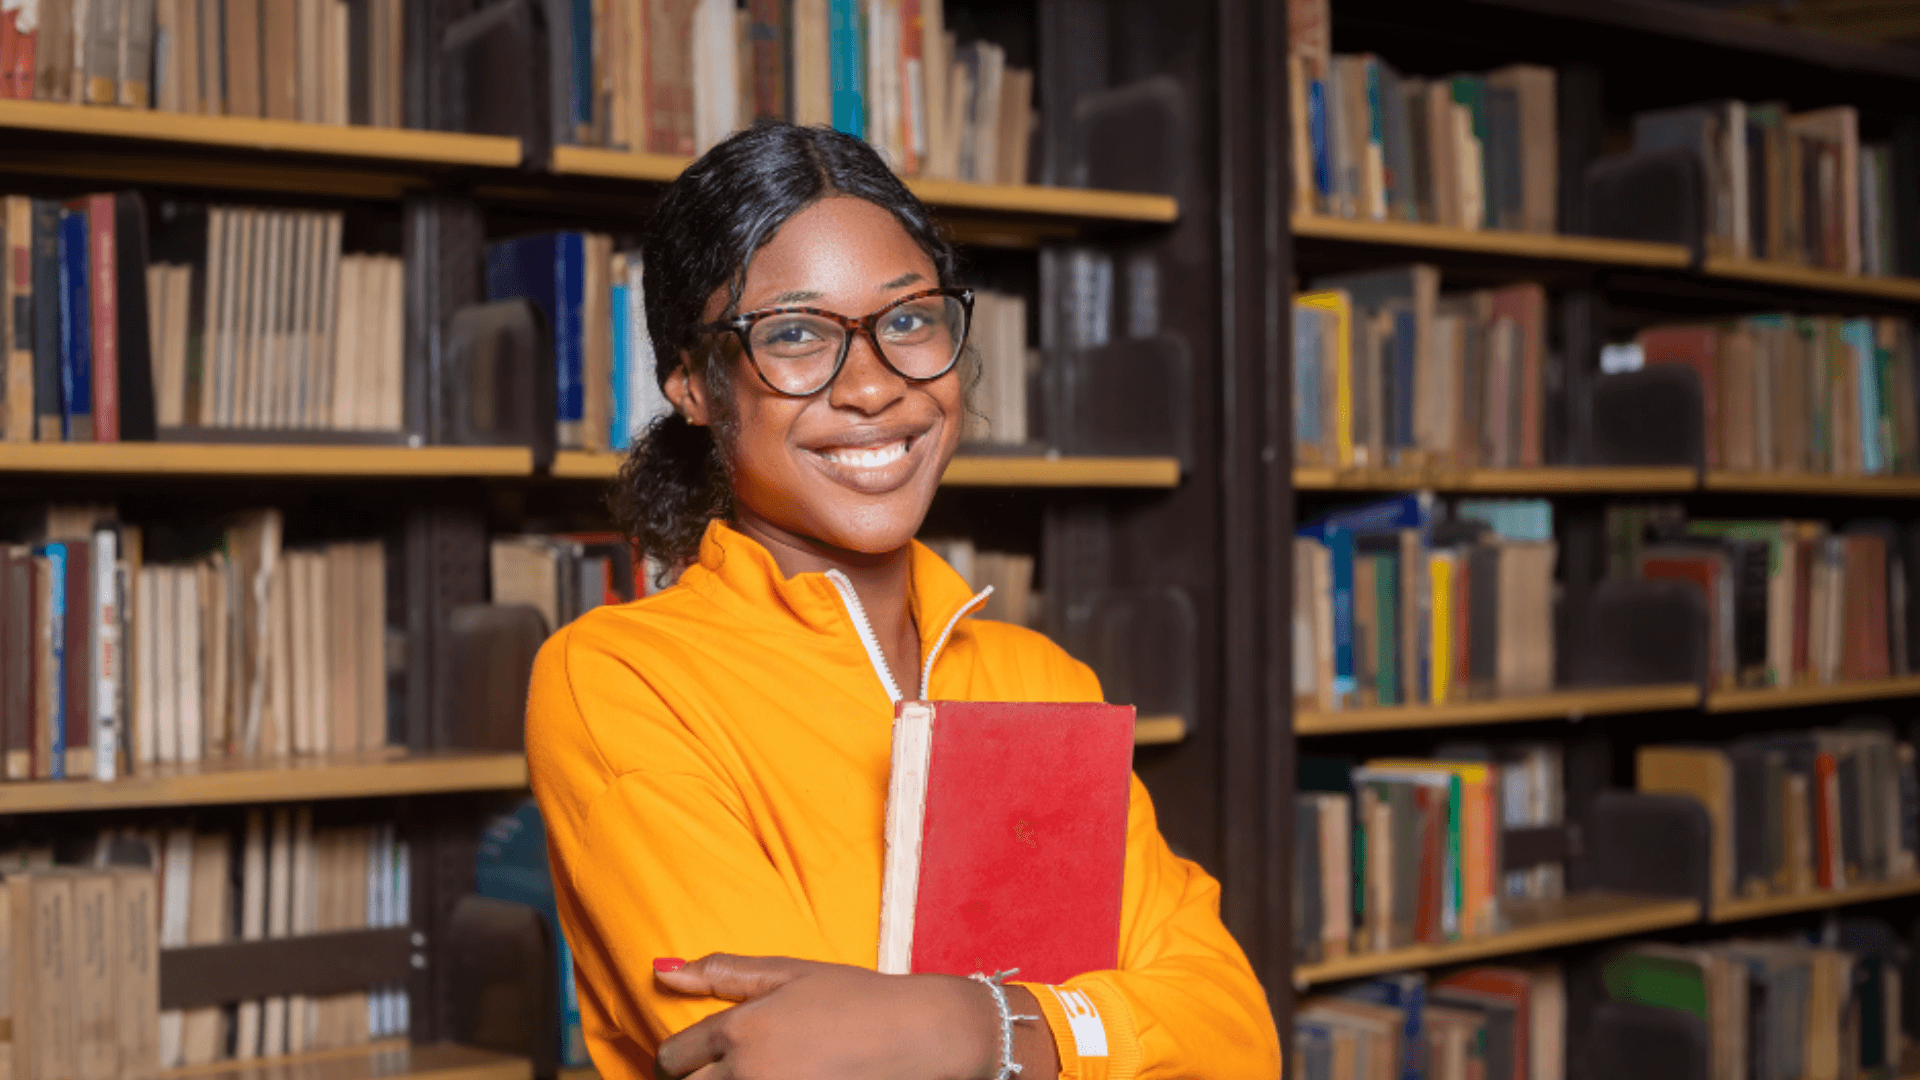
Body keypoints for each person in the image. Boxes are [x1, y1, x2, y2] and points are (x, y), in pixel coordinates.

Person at [526, 121, 1279, 1080]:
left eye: (910, 319)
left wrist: (970, 1029)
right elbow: (774, 1060)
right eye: (795, 335)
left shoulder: (1042, 683)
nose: (876, 385)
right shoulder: (624, 681)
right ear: (694, 384)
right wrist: (1080, 1031)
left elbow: (1236, 1035)